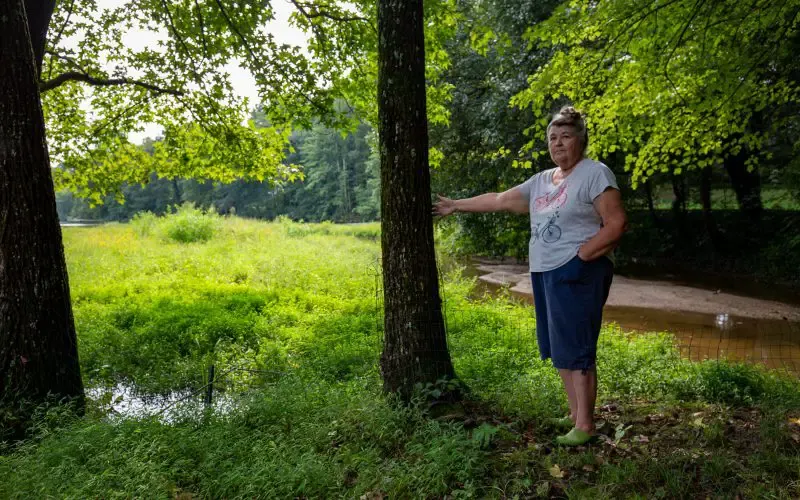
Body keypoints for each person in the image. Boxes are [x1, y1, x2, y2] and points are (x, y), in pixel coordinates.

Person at [433, 106, 627, 446]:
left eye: (566, 136)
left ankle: (585, 425)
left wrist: (580, 257)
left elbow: (616, 224)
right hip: (545, 272)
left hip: (579, 271)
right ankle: (573, 414)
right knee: (559, 347)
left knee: (577, 348)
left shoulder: (595, 173)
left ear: (581, 139)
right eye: (553, 138)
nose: (558, 143)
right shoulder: (542, 181)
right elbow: (500, 200)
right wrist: (455, 205)